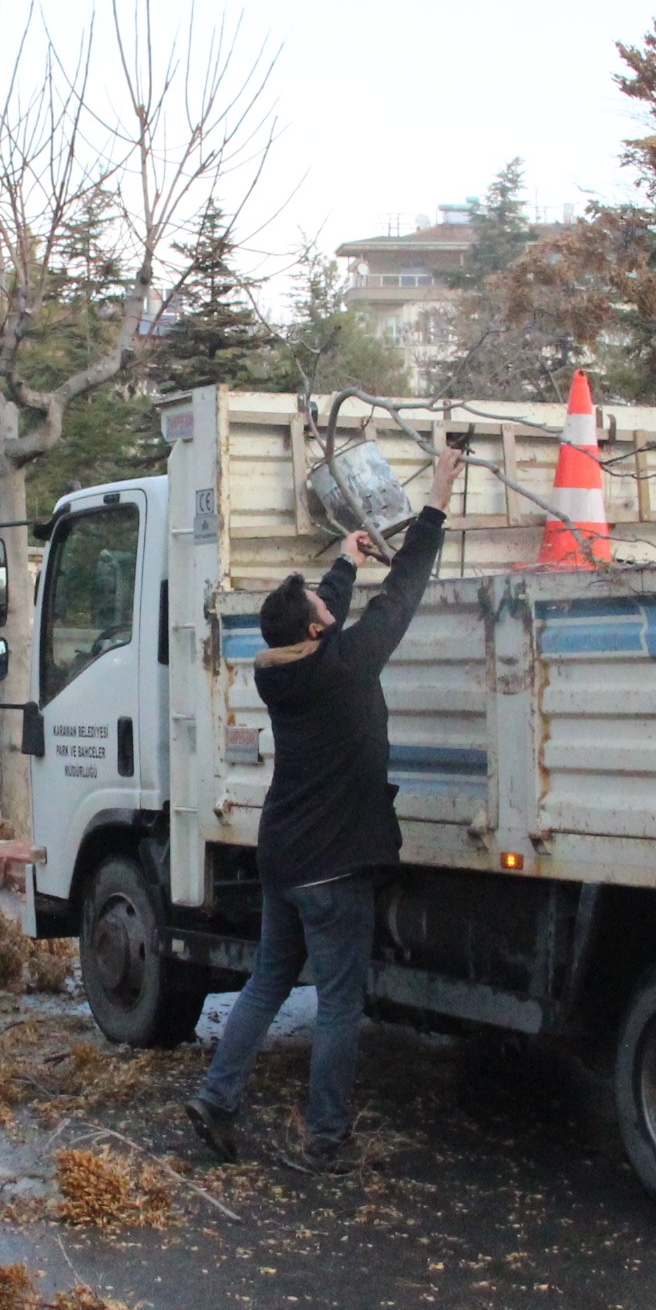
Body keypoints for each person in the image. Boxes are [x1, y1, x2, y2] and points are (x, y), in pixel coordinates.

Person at [187, 445, 462, 1174]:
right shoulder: (346, 667)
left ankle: (216, 1100)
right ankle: (327, 1141)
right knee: (339, 1006)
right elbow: (401, 595)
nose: (328, 610)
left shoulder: (282, 671)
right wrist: (435, 500)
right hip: (335, 868)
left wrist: (342, 561)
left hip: (283, 855)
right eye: (321, 607)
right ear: (317, 630)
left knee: (270, 980)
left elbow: (327, 617)